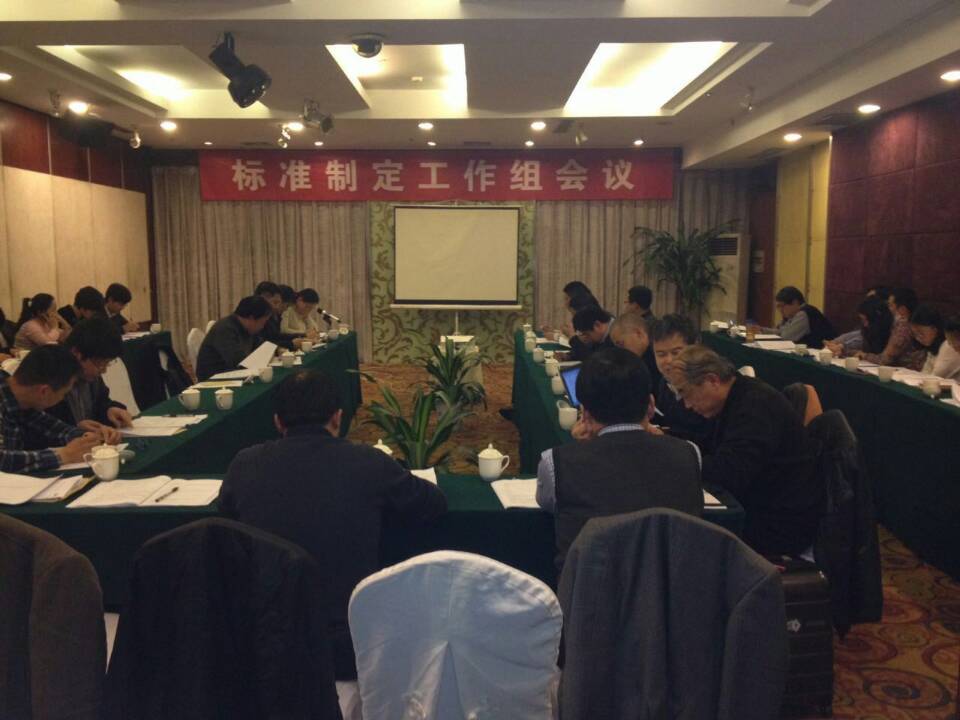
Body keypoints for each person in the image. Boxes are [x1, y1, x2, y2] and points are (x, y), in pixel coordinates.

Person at [219, 369, 447, 680]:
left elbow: (226, 515)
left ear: (278, 422)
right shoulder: (369, 462)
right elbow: (433, 504)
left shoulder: (244, 464)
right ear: (338, 418)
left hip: (263, 646)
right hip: (346, 647)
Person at [536, 347, 702, 571]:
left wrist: (583, 448)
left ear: (585, 414)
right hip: (674, 587)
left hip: (589, 589)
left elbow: (550, 502)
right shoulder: (690, 453)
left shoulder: (555, 463)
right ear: (651, 405)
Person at [672, 345, 821, 556]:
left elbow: (728, 473)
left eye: (686, 393)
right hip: (761, 505)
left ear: (712, 380)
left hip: (779, 523)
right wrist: (669, 444)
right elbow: (708, 445)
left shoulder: (755, 407)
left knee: (686, 538)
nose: (687, 405)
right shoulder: (734, 397)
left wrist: (675, 461)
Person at [0, 344, 104, 473]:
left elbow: (50, 427)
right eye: (64, 394)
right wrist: (64, 455)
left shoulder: (21, 397)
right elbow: (3, 460)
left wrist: (86, 437)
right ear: (44, 391)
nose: (62, 399)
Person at [46, 318, 131, 438]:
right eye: (100, 364)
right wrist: (75, 429)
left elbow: (102, 402)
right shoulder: (51, 379)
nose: (104, 370)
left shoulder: (90, 376)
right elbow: (43, 430)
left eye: (107, 364)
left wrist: (109, 410)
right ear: (76, 353)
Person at [649, 314, 715, 447]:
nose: (668, 361)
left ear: (695, 347)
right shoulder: (664, 382)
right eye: (661, 354)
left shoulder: (707, 386)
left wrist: (666, 435)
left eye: (676, 352)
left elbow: (708, 438)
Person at [195, 296, 273, 381]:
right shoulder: (225, 329)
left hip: (232, 375)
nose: (262, 327)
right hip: (213, 379)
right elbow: (239, 362)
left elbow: (260, 350)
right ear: (251, 318)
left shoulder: (248, 329)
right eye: (262, 322)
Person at [857, 287, 924, 369]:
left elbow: (884, 360)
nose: (887, 309)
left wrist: (862, 355)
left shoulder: (903, 328)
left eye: (890, 305)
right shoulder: (904, 323)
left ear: (902, 309)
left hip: (908, 373)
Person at [824, 296, 893, 359]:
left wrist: (842, 348)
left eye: (867, 320)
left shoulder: (892, 331)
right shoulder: (867, 330)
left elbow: (883, 359)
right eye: (863, 320)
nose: (865, 325)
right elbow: (859, 342)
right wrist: (840, 347)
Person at [609, 310, 662, 390]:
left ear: (638, 333)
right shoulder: (638, 358)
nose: (621, 351)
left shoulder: (660, 354)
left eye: (621, 344)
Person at [910, 305, 960, 381]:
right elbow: (925, 373)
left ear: (934, 328)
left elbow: (934, 377)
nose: (918, 338)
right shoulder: (933, 346)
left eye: (921, 333)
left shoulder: (948, 346)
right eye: (915, 334)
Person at [254, 281, 298, 351]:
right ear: (263, 298)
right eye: (275, 302)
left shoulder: (273, 316)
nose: (277, 307)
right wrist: (291, 344)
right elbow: (262, 344)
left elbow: (276, 336)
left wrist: (300, 337)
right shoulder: (255, 316)